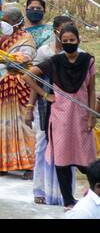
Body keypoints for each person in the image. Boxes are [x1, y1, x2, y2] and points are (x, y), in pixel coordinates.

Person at [28, 22, 97, 208]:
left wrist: (92, 115)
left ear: (78, 40)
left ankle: (92, 198)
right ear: (60, 41)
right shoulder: (55, 61)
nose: (69, 43)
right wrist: (44, 94)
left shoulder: (88, 60)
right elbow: (29, 75)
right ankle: (68, 201)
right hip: (60, 117)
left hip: (82, 116)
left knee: (88, 163)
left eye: (72, 40)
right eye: (65, 40)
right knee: (62, 159)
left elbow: (91, 90)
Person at [0, 3, 37, 178]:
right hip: (2, 87)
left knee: (23, 127)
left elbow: (23, 59)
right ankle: (2, 164)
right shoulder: (3, 38)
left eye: (6, 21)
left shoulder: (26, 38)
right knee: (2, 126)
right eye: (2, 21)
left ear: (17, 22)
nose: (3, 24)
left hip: (20, 86)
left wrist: (1, 57)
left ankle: (28, 165)